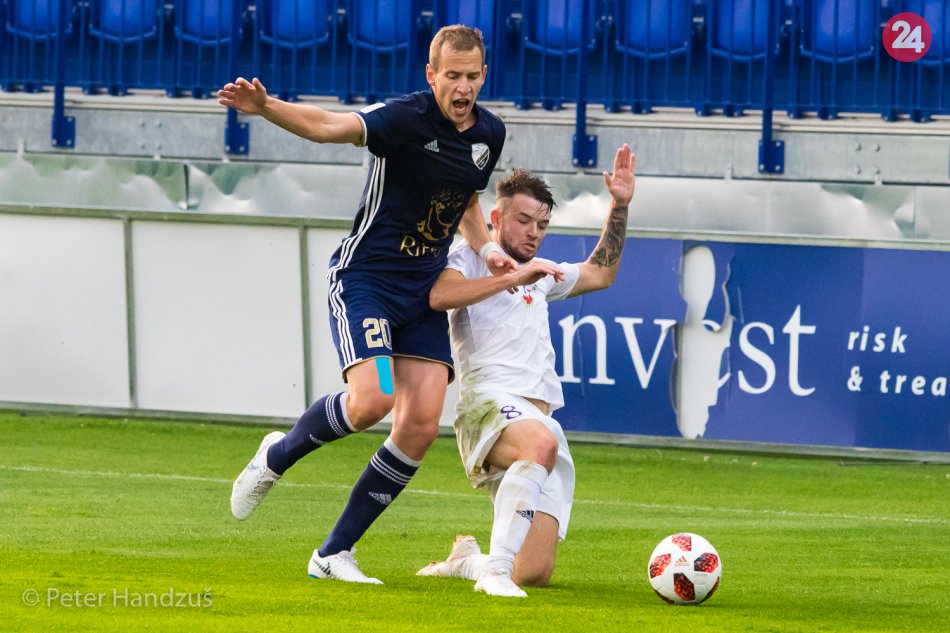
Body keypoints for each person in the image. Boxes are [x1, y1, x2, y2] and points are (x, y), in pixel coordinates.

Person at [218, 25, 516, 584]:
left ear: (484, 76)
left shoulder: (489, 133)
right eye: (452, 75)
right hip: (368, 283)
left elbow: (466, 201)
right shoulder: (403, 117)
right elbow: (330, 126)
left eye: (472, 76)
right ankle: (276, 456)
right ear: (431, 75)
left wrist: (490, 249)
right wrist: (266, 108)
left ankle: (333, 554)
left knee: (420, 426)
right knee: (372, 400)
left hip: (423, 294)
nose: (463, 87)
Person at [417, 145, 636, 597]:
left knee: (534, 573)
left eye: (542, 225)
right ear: (496, 218)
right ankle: (494, 574)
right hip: (488, 405)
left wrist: (620, 204)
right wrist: (512, 276)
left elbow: (601, 273)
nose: (534, 232)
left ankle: (466, 562)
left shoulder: (540, 273)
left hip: (538, 421)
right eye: (523, 220)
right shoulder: (469, 258)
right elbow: (439, 295)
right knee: (540, 443)